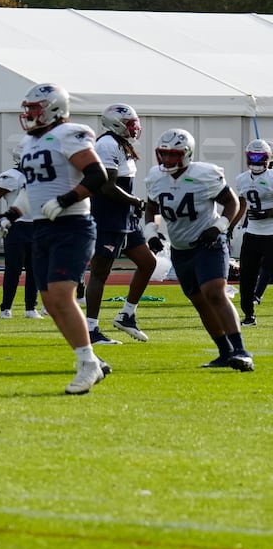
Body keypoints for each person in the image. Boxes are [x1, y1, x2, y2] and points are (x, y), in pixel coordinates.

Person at [14, 83, 119, 394]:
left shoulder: (69, 133)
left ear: (55, 108)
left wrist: (66, 199)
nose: (30, 114)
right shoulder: (30, 142)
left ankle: (87, 365)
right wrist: (11, 214)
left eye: (36, 108)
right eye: (29, 108)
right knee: (50, 302)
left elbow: (97, 175)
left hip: (73, 225)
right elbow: (32, 189)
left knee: (61, 295)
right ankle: (90, 359)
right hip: (43, 227)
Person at [141, 129, 252, 371]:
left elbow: (231, 202)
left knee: (214, 292)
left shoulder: (204, 174)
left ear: (187, 154)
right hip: (180, 249)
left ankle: (242, 351)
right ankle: (225, 353)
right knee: (200, 301)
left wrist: (220, 227)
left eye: (174, 155)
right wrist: (151, 233)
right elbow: (150, 207)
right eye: (164, 154)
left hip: (208, 244)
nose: (168, 160)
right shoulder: (155, 177)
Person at [84, 103, 156, 343]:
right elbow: (106, 186)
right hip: (108, 216)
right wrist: (136, 201)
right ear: (115, 123)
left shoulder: (121, 144)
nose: (134, 128)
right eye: (129, 123)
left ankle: (127, 315)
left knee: (148, 263)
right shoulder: (106, 144)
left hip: (124, 217)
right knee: (100, 273)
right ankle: (91, 329)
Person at [0, 147, 42, 319]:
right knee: (13, 270)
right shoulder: (11, 176)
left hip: (37, 226)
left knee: (35, 270)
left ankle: (31, 308)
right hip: (17, 227)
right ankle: (6, 308)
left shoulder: (43, 175)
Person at [227, 138, 273, 327]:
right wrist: (230, 225)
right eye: (252, 156)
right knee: (246, 275)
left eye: (259, 157)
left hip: (271, 233)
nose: (256, 160)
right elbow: (242, 204)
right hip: (252, 233)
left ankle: (257, 296)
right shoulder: (242, 179)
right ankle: (249, 315)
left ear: (268, 158)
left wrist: (268, 213)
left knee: (269, 268)